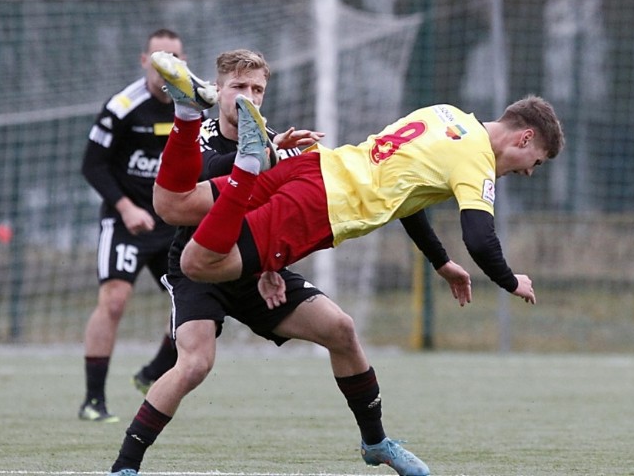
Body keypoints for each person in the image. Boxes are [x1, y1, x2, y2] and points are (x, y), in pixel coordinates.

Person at [108, 49, 432, 476]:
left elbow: (279, 212)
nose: (249, 98)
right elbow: (197, 190)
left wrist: (270, 268)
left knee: (341, 329)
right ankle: (125, 467)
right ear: (218, 89)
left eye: (257, 89)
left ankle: (377, 443)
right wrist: (267, 157)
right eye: (239, 88)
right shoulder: (199, 135)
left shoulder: (267, 140)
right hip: (196, 268)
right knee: (195, 363)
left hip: (251, 265)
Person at [151, 51, 564, 309]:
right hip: (322, 204)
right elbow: (480, 238)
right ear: (525, 136)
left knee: (174, 205)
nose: (528, 171)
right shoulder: (475, 156)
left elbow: (406, 199)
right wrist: (511, 281)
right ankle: (246, 162)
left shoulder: (444, 114)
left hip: (310, 166)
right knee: (199, 264)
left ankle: (187, 115)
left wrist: (441, 263)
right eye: (536, 161)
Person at [79, 29, 192, 423]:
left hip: (173, 222)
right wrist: (126, 207)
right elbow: (92, 165)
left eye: (174, 57)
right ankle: (93, 400)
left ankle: (151, 373)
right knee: (114, 301)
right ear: (145, 61)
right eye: (159, 57)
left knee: (193, 302)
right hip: (126, 220)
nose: (167, 65)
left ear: (184, 63)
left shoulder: (193, 107)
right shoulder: (123, 106)